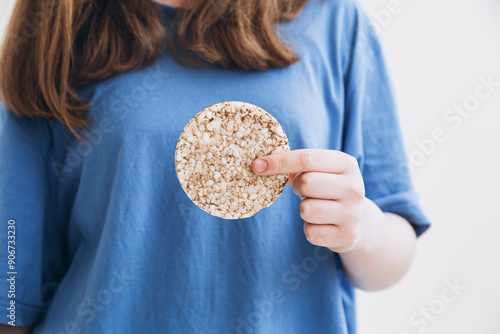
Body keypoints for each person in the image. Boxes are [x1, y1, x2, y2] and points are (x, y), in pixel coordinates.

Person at [0, 0, 431, 333]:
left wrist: (363, 229)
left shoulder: (332, 18)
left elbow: (395, 245)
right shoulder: (61, 22)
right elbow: (13, 286)